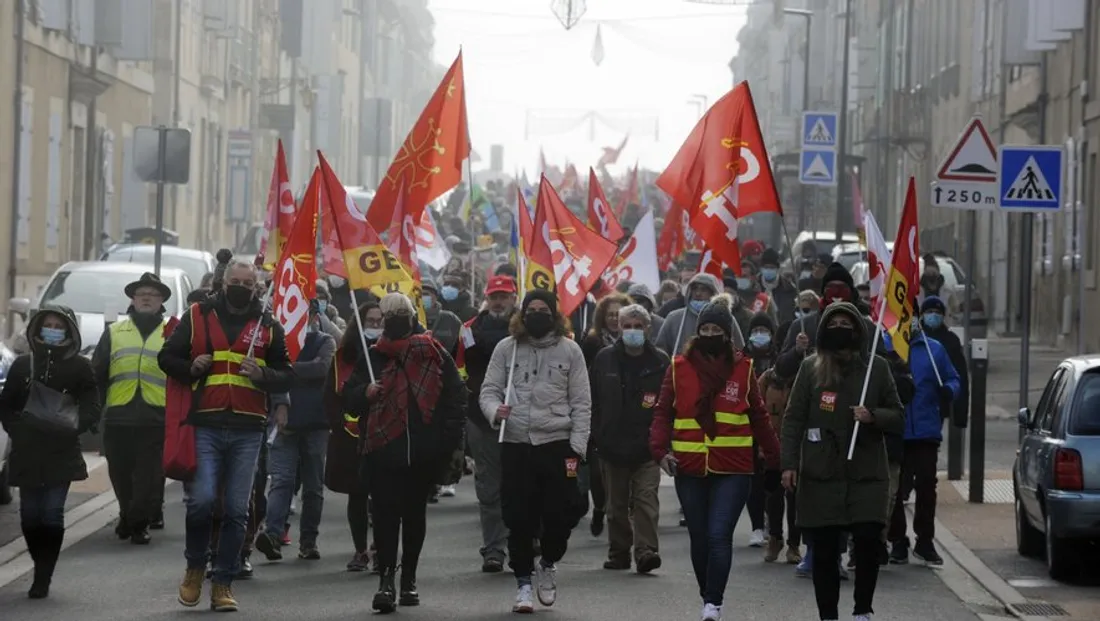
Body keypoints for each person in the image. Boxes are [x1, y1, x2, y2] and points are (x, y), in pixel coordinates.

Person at [159, 259, 294, 611]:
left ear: (256, 288)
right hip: (205, 423)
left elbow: (286, 372)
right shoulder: (197, 315)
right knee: (202, 501)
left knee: (236, 509)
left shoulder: (268, 324)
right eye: (235, 281)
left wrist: (263, 374)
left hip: (248, 428)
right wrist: (191, 367)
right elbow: (166, 357)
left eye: (248, 283)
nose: (241, 287)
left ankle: (223, 582)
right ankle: (194, 568)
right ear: (223, 282)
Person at [649, 294, 781, 621]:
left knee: (718, 534)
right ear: (697, 332)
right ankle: (706, 593)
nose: (710, 334)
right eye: (704, 328)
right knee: (699, 537)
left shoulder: (743, 368)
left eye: (716, 329)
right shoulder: (678, 368)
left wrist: (776, 458)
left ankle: (713, 603)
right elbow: (663, 412)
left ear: (727, 334)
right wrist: (659, 450)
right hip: (689, 468)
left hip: (733, 468)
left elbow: (760, 417)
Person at [343, 293, 467, 613]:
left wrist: (445, 441)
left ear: (413, 318)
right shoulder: (372, 357)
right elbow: (349, 398)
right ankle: (386, 580)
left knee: (413, 517)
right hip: (382, 452)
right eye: (391, 315)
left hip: (423, 453)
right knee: (384, 518)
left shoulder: (434, 353)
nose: (397, 320)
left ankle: (408, 578)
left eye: (403, 314)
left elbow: (455, 397)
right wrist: (365, 393)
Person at [781, 302, 904, 621]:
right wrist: (789, 463)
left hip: (866, 475)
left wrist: (873, 416)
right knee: (823, 551)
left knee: (866, 543)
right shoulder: (810, 369)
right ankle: (828, 614)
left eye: (845, 323)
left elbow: (899, 415)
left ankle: (862, 609)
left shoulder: (876, 368)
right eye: (833, 323)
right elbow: (793, 418)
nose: (840, 328)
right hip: (821, 474)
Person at [480, 289, 590, 614]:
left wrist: (578, 447)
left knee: (560, 516)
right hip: (516, 444)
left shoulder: (571, 351)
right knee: (518, 517)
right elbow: (488, 390)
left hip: (558, 444)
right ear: (523, 313)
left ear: (554, 313)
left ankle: (549, 562)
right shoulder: (507, 348)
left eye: (544, 309)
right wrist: (493, 410)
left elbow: (582, 403)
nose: (537, 314)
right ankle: (524, 583)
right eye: (532, 309)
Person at [0, 305, 100, 599]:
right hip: (28, 451)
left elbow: (92, 407)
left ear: (69, 331)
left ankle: (44, 574)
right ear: (37, 329)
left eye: (59, 325)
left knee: (52, 514)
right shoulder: (22, 366)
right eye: (48, 324)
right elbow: (6, 406)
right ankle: (38, 561)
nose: (53, 329)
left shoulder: (81, 368)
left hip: (61, 451)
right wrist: (18, 430)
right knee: (30, 516)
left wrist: (74, 427)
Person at [92, 273, 173, 545]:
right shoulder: (115, 332)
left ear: (161, 300)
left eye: (152, 293)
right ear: (133, 300)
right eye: (141, 294)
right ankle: (128, 514)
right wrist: (95, 411)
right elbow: (98, 375)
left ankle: (137, 523)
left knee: (148, 478)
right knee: (120, 472)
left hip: (156, 417)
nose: (146, 297)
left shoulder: (173, 333)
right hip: (118, 417)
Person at [589, 304, 669, 573]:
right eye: (627, 326)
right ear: (619, 328)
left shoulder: (660, 361)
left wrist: (662, 440)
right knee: (616, 505)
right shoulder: (604, 359)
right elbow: (593, 399)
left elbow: (669, 403)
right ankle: (619, 552)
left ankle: (646, 551)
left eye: (638, 326)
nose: (632, 331)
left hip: (647, 447)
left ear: (648, 328)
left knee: (646, 500)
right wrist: (597, 434)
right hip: (612, 446)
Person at [255, 302, 336, 562]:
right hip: (282, 421)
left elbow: (322, 368)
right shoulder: (276, 342)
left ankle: (308, 540)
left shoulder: (325, 341)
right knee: (281, 480)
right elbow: (266, 375)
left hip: (316, 424)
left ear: (314, 316)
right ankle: (273, 535)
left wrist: (284, 370)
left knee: (313, 486)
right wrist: (282, 374)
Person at [887, 312, 961, 567]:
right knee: (895, 489)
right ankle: (897, 540)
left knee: (927, 486)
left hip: (926, 430)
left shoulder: (935, 350)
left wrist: (948, 390)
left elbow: (953, 378)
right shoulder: (888, 348)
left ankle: (925, 541)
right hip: (896, 430)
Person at [455, 275, 518, 573]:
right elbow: (459, 370)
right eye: (495, 296)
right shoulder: (468, 331)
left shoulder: (528, 330)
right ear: (486, 297)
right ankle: (493, 550)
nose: (499, 301)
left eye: (504, 296)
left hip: (523, 420)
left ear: (514, 298)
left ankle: (525, 540)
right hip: (482, 420)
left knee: (523, 485)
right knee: (489, 488)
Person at [325, 301, 383, 572]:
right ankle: (361, 550)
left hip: (384, 436)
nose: (374, 326)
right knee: (357, 496)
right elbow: (331, 396)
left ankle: (381, 548)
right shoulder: (341, 358)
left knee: (383, 497)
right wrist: (339, 422)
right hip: (349, 438)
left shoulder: (390, 355)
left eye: (379, 321)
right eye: (369, 321)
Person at [579, 292, 630, 537]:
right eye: (609, 314)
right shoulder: (591, 343)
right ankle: (599, 506)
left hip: (627, 416)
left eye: (618, 315)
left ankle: (619, 513)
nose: (613, 319)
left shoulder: (635, 341)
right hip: (597, 413)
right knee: (597, 473)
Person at [743, 312, 777, 549]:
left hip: (772, 425)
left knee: (771, 478)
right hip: (745, 426)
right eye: (756, 331)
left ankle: (772, 525)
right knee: (753, 479)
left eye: (764, 331)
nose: (760, 336)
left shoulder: (779, 360)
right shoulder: (741, 360)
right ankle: (756, 526)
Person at [655, 273, 744, 356]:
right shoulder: (674, 318)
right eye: (695, 289)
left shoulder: (726, 318)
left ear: (713, 293)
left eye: (703, 290)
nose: (698, 293)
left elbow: (739, 350)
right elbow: (661, 352)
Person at [422, 280, 463, 358]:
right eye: (418, 294)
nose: (421, 297)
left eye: (425, 294)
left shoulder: (450, 319)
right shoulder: (412, 319)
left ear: (435, 297)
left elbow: (462, 344)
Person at [759, 248, 798, 324]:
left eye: (772, 267)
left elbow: (790, 315)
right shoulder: (754, 286)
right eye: (766, 267)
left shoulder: (789, 289)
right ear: (761, 268)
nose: (768, 270)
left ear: (777, 268)